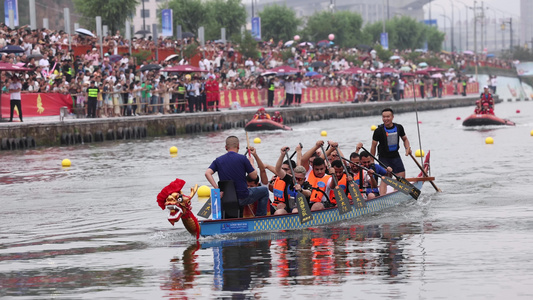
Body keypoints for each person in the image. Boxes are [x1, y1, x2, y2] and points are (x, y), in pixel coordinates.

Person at [205, 136, 270, 217]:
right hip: (242, 197)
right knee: (264, 191)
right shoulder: (243, 158)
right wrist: (251, 163)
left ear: (226, 147)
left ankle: (223, 220)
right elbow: (254, 176)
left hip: (226, 197)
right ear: (238, 147)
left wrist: (217, 189)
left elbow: (207, 173)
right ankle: (260, 218)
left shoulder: (218, 160)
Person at [371, 108, 411, 179]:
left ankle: (400, 189)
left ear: (392, 117)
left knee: (402, 177)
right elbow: (373, 146)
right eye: (384, 117)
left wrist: (407, 148)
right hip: (383, 158)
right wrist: (372, 161)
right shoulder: (378, 131)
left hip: (395, 156)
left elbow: (405, 139)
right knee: (387, 177)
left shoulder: (399, 127)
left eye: (388, 117)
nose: (386, 119)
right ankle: (386, 189)